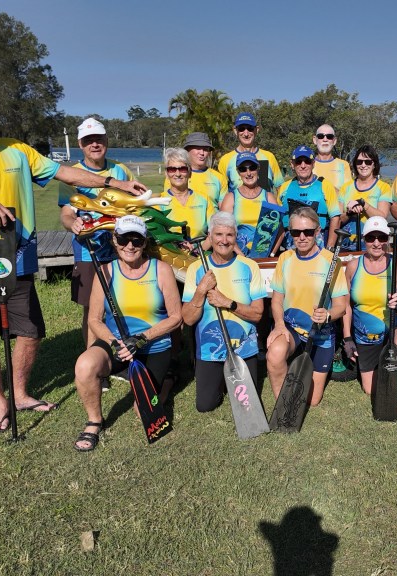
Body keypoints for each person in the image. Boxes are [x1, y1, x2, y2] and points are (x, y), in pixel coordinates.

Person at [0, 88, 150, 432]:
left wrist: (112, 182)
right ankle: (0, 401)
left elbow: (66, 174)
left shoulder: (16, 150)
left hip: (17, 257)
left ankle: (20, 394)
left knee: (29, 332)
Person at [70, 216, 182, 451]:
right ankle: (94, 421)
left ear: (144, 242)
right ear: (114, 240)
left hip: (153, 347)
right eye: (123, 239)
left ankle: (168, 378)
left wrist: (142, 338)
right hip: (118, 346)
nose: (129, 246)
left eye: (136, 240)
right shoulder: (105, 272)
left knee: (141, 412)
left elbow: (175, 317)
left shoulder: (161, 270)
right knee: (84, 366)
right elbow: (94, 319)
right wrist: (115, 342)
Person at [59, 117, 137, 370]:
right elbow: (66, 212)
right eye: (89, 140)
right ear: (81, 144)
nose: (95, 144)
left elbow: (133, 206)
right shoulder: (71, 174)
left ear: (106, 141)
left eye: (99, 139)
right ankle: (94, 364)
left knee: (122, 302)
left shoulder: (120, 170)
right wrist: (72, 223)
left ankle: (123, 357)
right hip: (87, 251)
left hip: (121, 249)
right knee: (92, 311)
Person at [341, 217, 397, 430]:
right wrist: (347, 337)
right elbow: (346, 306)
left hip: (395, 327)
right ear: (364, 240)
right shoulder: (352, 267)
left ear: (388, 239)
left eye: (382, 237)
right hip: (366, 335)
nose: (376, 242)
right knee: (370, 389)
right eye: (371, 238)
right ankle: (385, 366)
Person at [181, 212, 267, 412]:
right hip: (209, 350)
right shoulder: (196, 269)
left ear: (236, 237)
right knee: (205, 405)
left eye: (230, 235)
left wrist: (227, 302)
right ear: (210, 237)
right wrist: (201, 290)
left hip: (244, 347)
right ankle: (220, 380)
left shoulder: (249, 266)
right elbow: (188, 318)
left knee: (248, 405)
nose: (224, 240)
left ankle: (229, 378)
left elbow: (257, 314)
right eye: (218, 234)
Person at [266, 207, 350, 407]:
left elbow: (341, 306)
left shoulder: (331, 262)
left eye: (308, 232)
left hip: (320, 334)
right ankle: (283, 404)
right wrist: (278, 325)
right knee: (276, 353)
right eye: (296, 232)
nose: (302, 237)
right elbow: (277, 300)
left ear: (318, 231)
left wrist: (328, 315)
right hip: (291, 328)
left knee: (312, 400)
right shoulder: (285, 259)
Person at [276, 145, 341, 252]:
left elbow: (335, 218)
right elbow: (278, 221)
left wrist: (329, 249)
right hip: (290, 247)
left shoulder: (325, 185)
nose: (303, 165)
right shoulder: (284, 187)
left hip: (319, 245)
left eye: (307, 161)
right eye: (298, 162)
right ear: (292, 164)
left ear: (313, 163)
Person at [219, 152, 282, 257]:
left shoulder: (268, 197)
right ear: (238, 172)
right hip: (237, 256)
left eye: (252, 168)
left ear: (258, 169)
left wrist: (271, 254)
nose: (248, 173)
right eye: (243, 169)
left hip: (263, 257)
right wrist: (240, 254)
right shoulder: (231, 198)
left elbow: (279, 231)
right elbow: (222, 230)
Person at [337, 145, 393, 252]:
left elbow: (382, 216)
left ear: (374, 164)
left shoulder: (383, 187)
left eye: (367, 162)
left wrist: (363, 205)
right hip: (346, 245)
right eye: (359, 162)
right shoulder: (345, 188)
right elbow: (339, 219)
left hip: (372, 246)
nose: (363, 165)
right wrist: (349, 213)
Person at [157, 147, 215, 244]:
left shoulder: (204, 199)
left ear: (190, 172)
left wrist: (198, 252)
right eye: (172, 169)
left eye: (183, 169)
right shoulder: (159, 202)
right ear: (166, 174)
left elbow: (214, 232)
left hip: (201, 254)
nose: (178, 174)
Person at [218, 112, 284, 193]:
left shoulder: (268, 157)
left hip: (264, 205)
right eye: (241, 129)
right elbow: (221, 194)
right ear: (235, 131)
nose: (246, 134)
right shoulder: (225, 160)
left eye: (250, 128)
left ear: (257, 130)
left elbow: (281, 189)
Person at [163, 132, 229, 207]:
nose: (202, 153)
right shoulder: (176, 177)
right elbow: (168, 203)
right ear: (187, 151)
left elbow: (223, 210)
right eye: (198, 148)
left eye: (205, 149)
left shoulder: (219, 178)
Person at [311, 124, 351, 190]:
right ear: (315, 140)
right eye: (321, 136)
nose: (325, 139)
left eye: (329, 136)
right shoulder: (307, 164)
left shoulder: (344, 165)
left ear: (334, 141)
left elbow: (348, 194)